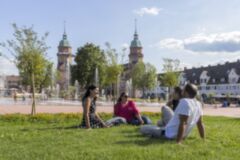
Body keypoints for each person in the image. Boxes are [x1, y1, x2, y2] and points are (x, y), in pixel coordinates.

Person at [140, 83, 205, 144]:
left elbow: (183, 123)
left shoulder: (185, 101)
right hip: (179, 133)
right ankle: (161, 125)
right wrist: (203, 138)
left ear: (186, 92)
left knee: (143, 128)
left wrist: (178, 142)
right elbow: (200, 124)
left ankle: (159, 130)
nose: (182, 90)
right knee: (160, 123)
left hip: (169, 134)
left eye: (183, 89)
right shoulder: (198, 104)